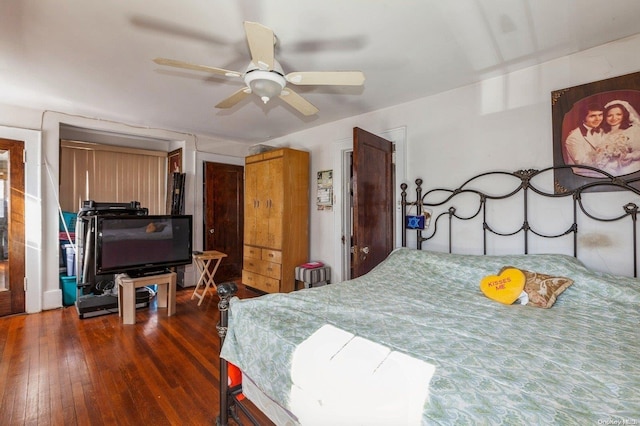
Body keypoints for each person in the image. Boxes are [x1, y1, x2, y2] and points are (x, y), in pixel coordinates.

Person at [596, 100, 640, 175]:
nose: (614, 118)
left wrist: (629, 156)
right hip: (607, 170)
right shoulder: (602, 132)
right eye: (609, 115)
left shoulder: (633, 130)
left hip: (629, 167)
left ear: (624, 115)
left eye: (618, 114)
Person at [563, 102, 605, 176]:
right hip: (584, 174)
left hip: (602, 171)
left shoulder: (601, 131)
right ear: (583, 117)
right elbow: (582, 162)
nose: (598, 119)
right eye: (592, 116)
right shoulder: (574, 137)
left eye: (600, 115)